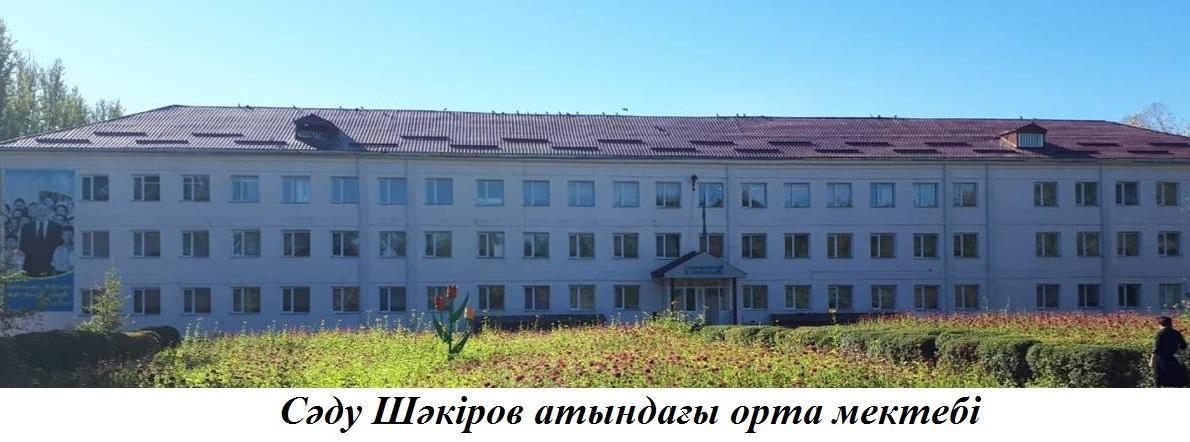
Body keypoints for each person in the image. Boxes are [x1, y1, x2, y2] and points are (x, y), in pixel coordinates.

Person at [18, 203, 64, 277]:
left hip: (50, 265)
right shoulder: (26, 227)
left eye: (45, 210)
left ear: (49, 212)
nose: (42, 212)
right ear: (35, 211)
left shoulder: (57, 227)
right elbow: (22, 246)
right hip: (30, 266)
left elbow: (59, 246)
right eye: (40, 210)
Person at [1151, 316, 1188, 387]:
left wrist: (1152, 360)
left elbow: (1156, 348)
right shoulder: (1176, 333)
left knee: (1159, 379)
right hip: (1172, 358)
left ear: (1160, 324)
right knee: (1174, 379)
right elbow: (1184, 346)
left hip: (1160, 359)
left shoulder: (1160, 333)